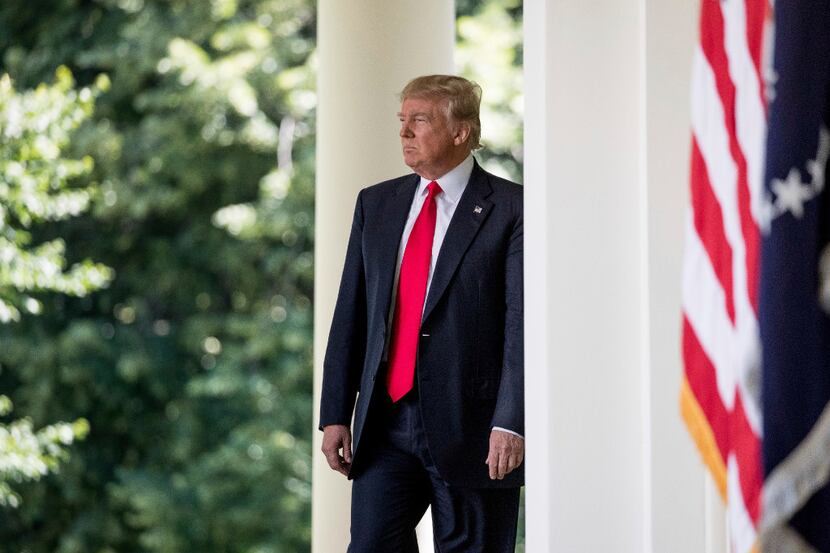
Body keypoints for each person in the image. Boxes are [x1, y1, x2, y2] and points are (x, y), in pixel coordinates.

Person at [319, 74, 524, 552]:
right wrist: (335, 411)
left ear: (461, 132)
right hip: (385, 423)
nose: (404, 133)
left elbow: (522, 325)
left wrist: (512, 421)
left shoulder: (513, 207)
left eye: (420, 120)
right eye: (402, 120)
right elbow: (351, 310)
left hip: (475, 428)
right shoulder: (377, 203)